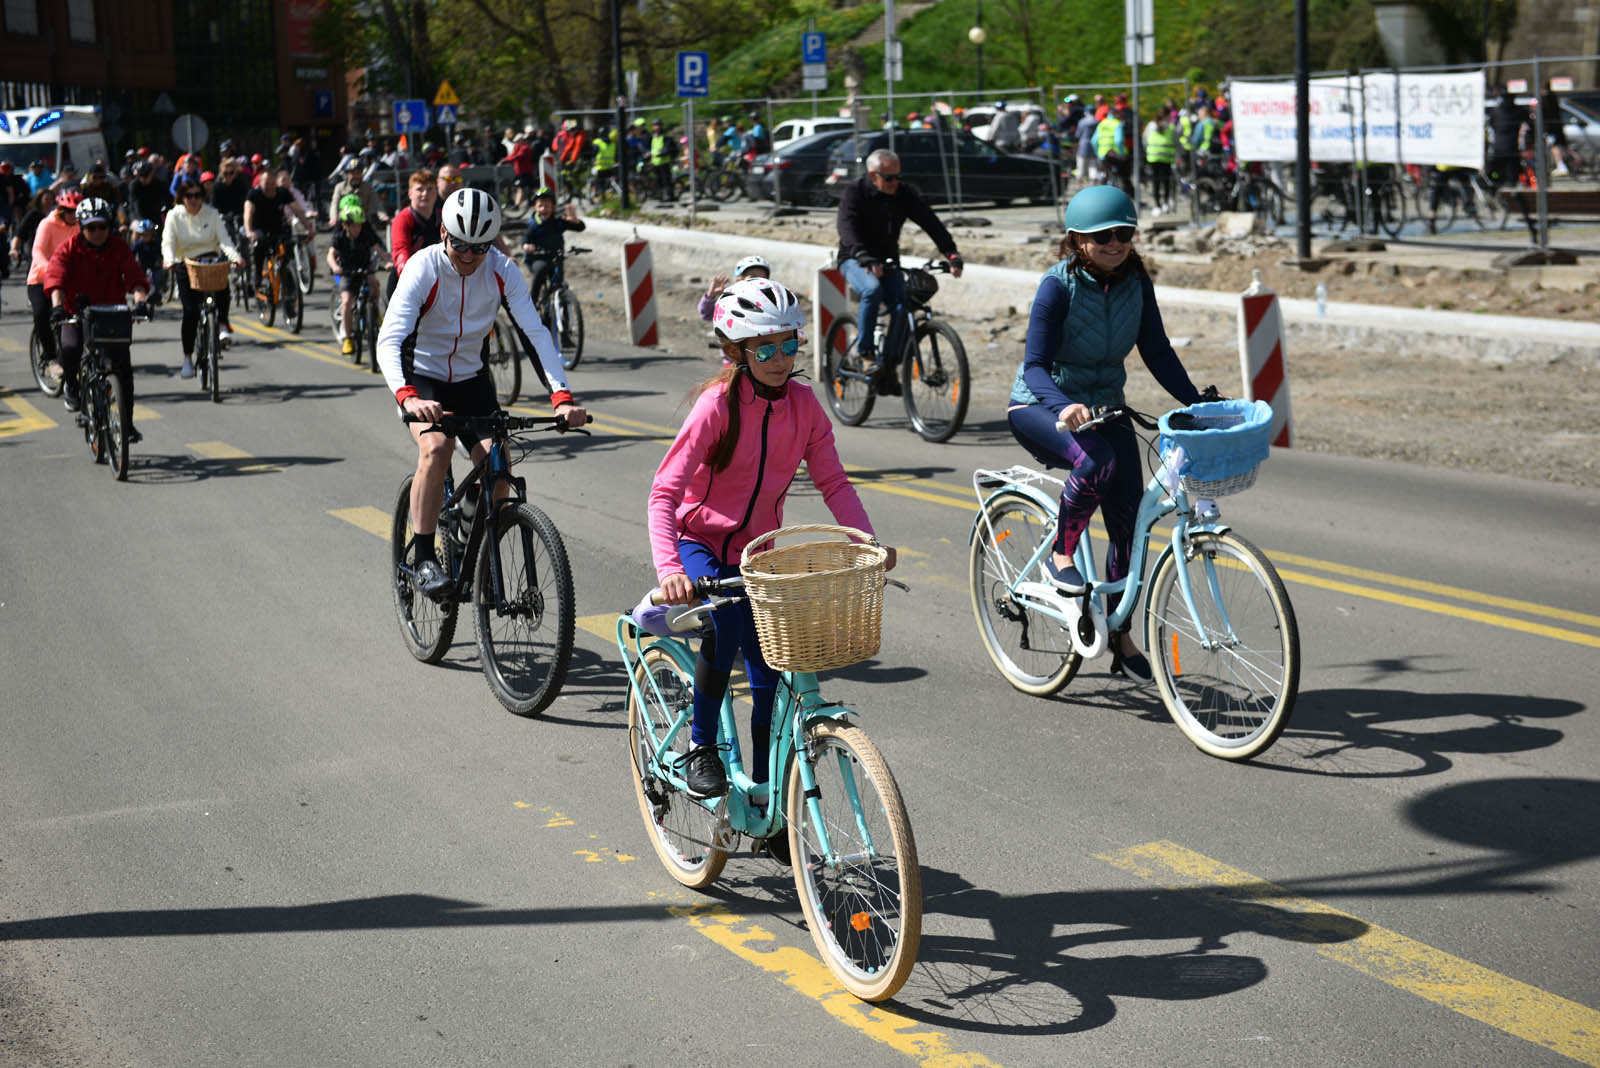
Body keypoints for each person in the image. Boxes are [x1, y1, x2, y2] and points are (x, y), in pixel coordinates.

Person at [648, 277, 896, 802]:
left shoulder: (804, 406)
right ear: (735, 350)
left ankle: (769, 794)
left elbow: (834, 483)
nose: (781, 358)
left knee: (773, 671)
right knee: (726, 623)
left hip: (759, 554)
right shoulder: (716, 406)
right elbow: (664, 493)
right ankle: (701, 747)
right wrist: (671, 569)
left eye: (790, 344)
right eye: (766, 348)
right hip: (701, 545)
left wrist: (866, 543)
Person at [1006, 186, 1203, 683]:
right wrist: (1063, 405)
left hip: (1105, 407)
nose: (1115, 243)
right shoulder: (1057, 286)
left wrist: (1197, 401)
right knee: (1096, 463)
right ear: (1077, 240)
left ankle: (1120, 634)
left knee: (1128, 523)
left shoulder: (1137, 281)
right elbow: (1034, 368)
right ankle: (1059, 555)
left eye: (1124, 234)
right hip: (1040, 406)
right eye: (1102, 236)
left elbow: (1157, 351)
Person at [377, 188, 585, 599]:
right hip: (424, 376)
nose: (469, 256)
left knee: (498, 467)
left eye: (480, 247)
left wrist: (561, 396)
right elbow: (389, 339)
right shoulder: (423, 268)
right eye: (460, 244)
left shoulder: (501, 270)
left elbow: (534, 333)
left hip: (471, 378)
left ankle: (466, 538)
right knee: (436, 449)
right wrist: (408, 397)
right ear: (443, 234)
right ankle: (422, 558)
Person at [835, 148, 962, 393]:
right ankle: (866, 355)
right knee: (872, 290)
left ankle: (890, 366)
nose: (896, 183)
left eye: (898, 177)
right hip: (854, 258)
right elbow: (846, 227)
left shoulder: (902, 193)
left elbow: (930, 221)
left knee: (905, 305)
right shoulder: (855, 192)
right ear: (873, 176)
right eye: (889, 178)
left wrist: (952, 253)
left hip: (887, 261)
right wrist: (864, 256)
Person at [43, 196, 151, 436]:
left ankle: (127, 423)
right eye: (91, 227)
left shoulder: (119, 247)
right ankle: (72, 386)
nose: (97, 232)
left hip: (111, 315)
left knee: (123, 370)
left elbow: (135, 278)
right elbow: (55, 279)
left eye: (102, 226)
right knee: (70, 347)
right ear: (81, 226)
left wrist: (141, 303)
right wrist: (58, 307)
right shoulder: (69, 248)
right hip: (77, 313)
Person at [162, 179, 244, 374]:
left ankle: (222, 324)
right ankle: (188, 358)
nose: (193, 200)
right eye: (189, 196)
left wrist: (236, 257)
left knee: (223, 290)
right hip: (185, 264)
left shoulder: (212, 214)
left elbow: (224, 241)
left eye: (197, 195)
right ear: (182, 197)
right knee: (190, 313)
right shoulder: (174, 216)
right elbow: (168, 241)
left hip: (210, 262)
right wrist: (169, 260)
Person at [28, 189, 80, 371]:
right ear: (61, 210)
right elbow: (38, 251)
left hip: (67, 280)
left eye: (76, 211)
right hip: (40, 278)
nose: (73, 215)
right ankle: (50, 358)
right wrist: (50, 268)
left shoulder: (80, 226)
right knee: (41, 313)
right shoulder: (47, 224)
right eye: (69, 211)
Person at [328, 197, 387, 354]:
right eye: (354, 225)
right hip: (346, 271)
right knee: (347, 302)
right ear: (346, 225)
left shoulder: (365, 234)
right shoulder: (340, 237)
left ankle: (374, 312)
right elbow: (330, 255)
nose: (358, 228)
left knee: (374, 284)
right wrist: (335, 267)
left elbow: (378, 249)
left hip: (364, 268)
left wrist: (389, 261)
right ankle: (348, 338)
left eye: (360, 225)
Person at [242, 169, 311, 294]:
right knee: (259, 248)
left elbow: (298, 210)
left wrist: (308, 227)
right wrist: (249, 231)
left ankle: (289, 290)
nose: (269, 187)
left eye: (272, 183)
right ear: (260, 182)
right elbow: (248, 213)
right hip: (259, 229)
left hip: (278, 228)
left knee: (287, 253)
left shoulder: (282, 193)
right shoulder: (254, 194)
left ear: (276, 183)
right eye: (266, 183)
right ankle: (257, 275)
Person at [520, 188, 584, 307]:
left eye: (547, 205)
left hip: (556, 257)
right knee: (540, 270)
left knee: (559, 284)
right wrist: (526, 246)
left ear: (553, 207)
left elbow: (580, 228)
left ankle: (562, 316)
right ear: (535, 208)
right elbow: (525, 238)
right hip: (538, 259)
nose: (544, 209)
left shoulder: (558, 222)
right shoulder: (534, 225)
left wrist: (575, 221)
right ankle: (532, 305)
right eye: (540, 206)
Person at [388, 168, 440, 297]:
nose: (425, 193)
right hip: (405, 282)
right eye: (420, 189)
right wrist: (411, 278)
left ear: (436, 192)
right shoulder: (403, 219)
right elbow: (400, 250)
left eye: (430, 189)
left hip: (437, 281)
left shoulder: (444, 216)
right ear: (410, 193)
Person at [697, 254, 769, 323]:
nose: (758, 281)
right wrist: (711, 295)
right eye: (753, 277)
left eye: (763, 278)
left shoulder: (770, 302)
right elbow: (707, 314)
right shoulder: (732, 302)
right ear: (739, 280)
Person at [326, 160, 384, 229]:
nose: (355, 176)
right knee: (337, 238)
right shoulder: (339, 187)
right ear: (347, 174)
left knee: (375, 239)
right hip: (344, 224)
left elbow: (377, 203)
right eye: (352, 173)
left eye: (358, 173)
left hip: (362, 223)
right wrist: (333, 218)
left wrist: (383, 216)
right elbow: (334, 204)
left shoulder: (367, 187)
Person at [1143, 110, 1176, 213]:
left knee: (1156, 182)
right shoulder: (1170, 127)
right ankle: (1165, 203)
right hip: (1166, 158)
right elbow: (1175, 141)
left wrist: (1147, 151)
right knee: (1165, 182)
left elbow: (1144, 140)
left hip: (1154, 158)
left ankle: (1158, 205)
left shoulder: (1150, 126)